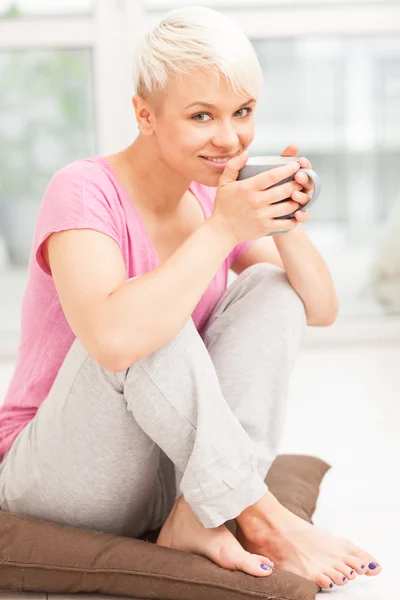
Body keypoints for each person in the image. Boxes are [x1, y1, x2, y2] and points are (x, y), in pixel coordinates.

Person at [0, 5, 381, 591]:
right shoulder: (82, 189)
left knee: (271, 287)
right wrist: (224, 230)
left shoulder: (209, 201)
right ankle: (259, 513)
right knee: (148, 318)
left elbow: (318, 308)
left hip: (170, 474)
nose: (228, 138)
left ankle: (196, 515)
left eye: (243, 112)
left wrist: (283, 220)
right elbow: (114, 339)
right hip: (58, 474)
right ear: (145, 115)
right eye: (201, 115)